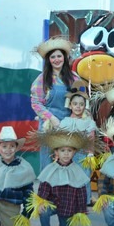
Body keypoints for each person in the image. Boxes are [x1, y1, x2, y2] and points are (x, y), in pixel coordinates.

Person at [31, 128, 98, 226]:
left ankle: (67, 224)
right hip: (52, 203)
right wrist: (40, 202)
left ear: (74, 152)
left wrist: (81, 209)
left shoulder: (77, 170)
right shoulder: (50, 169)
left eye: (69, 150)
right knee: (44, 212)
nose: (66, 154)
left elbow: (81, 193)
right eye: (62, 150)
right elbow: (43, 188)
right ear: (56, 152)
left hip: (68, 206)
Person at [30, 36, 79, 171]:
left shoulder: (74, 78)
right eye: (53, 57)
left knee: (72, 161)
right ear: (48, 60)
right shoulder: (42, 80)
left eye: (59, 56)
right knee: (48, 162)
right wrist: (51, 118)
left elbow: (82, 101)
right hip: (49, 125)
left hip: (70, 124)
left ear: (64, 57)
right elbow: (36, 103)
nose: (56, 59)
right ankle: (47, 191)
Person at [59, 79, 97, 204]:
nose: (78, 107)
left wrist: (90, 153)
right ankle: (70, 200)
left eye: (81, 104)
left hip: (83, 154)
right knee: (69, 176)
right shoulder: (65, 122)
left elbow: (91, 138)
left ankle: (85, 200)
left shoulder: (88, 122)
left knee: (84, 177)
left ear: (84, 105)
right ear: (70, 105)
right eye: (75, 104)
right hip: (68, 154)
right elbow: (61, 139)